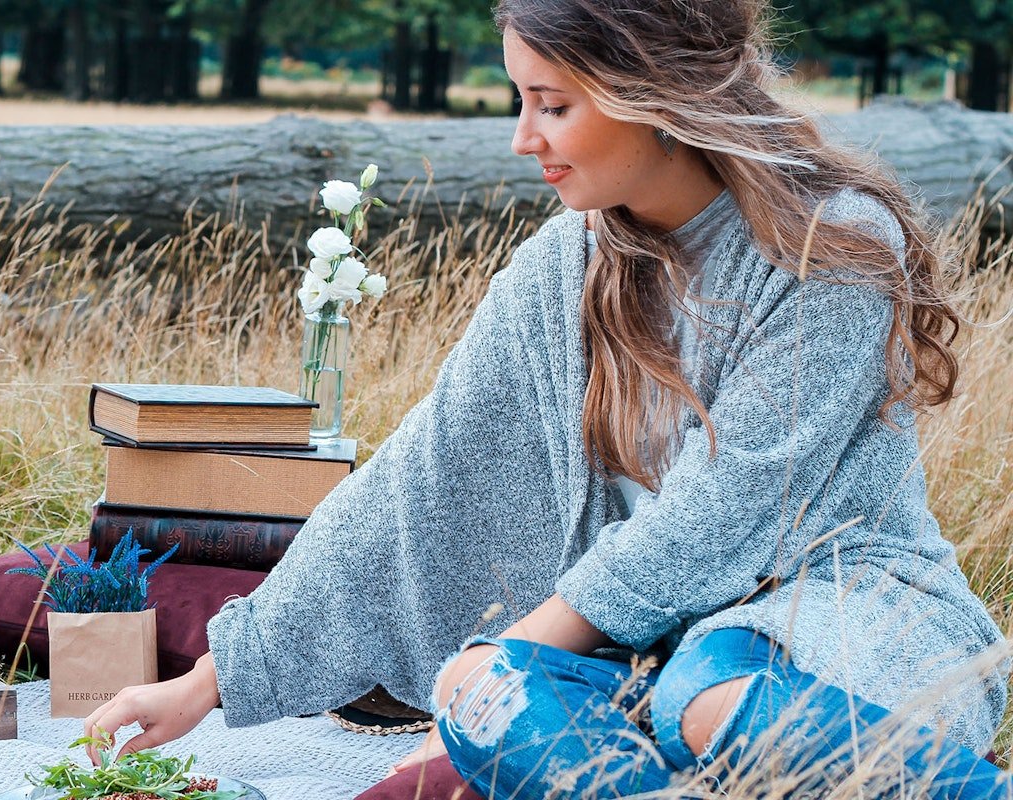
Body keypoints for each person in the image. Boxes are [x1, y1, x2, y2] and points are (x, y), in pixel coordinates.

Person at [86, 0, 1011, 795]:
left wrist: (519, 645)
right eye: (522, 100)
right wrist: (209, 680)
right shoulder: (562, 266)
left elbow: (723, 513)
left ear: (656, 95)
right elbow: (417, 478)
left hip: (833, 621)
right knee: (471, 695)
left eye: (552, 105)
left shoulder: (830, 248)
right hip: (645, 648)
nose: (524, 138)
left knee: (703, 694)